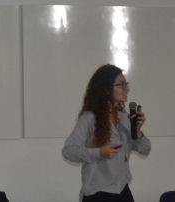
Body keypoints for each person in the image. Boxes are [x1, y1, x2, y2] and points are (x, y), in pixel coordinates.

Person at [62, 64, 151, 202]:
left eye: (126, 84)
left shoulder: (124, 117)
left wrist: (137, 131)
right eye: (121, 85)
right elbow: (69, 151)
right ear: (106, 89)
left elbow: (145, 149)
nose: (127, 88)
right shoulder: (89, 118)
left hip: (122, 190)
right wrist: (99, 153)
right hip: (98, 193)